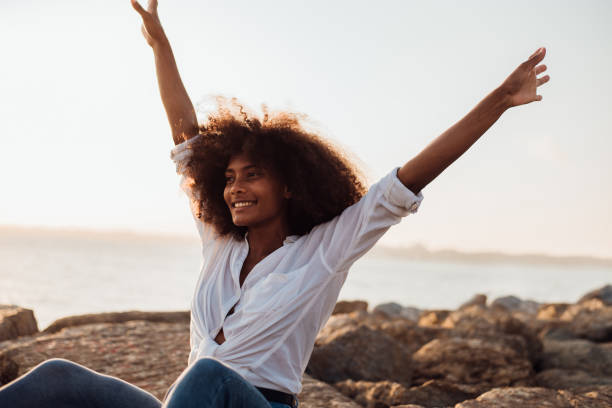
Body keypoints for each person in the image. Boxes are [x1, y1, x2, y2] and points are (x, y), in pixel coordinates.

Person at [0, 0, 550, 407]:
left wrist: (500, 100)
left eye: (254, 175)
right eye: (231, 176)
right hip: (190, 403)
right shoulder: (219, 243)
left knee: (204, 376)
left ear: (288, 185)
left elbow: (407, 178)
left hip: (253, 402)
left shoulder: (324, 250)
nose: (236, 186)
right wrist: (161, 47)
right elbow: (184, 134)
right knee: (59, 377)